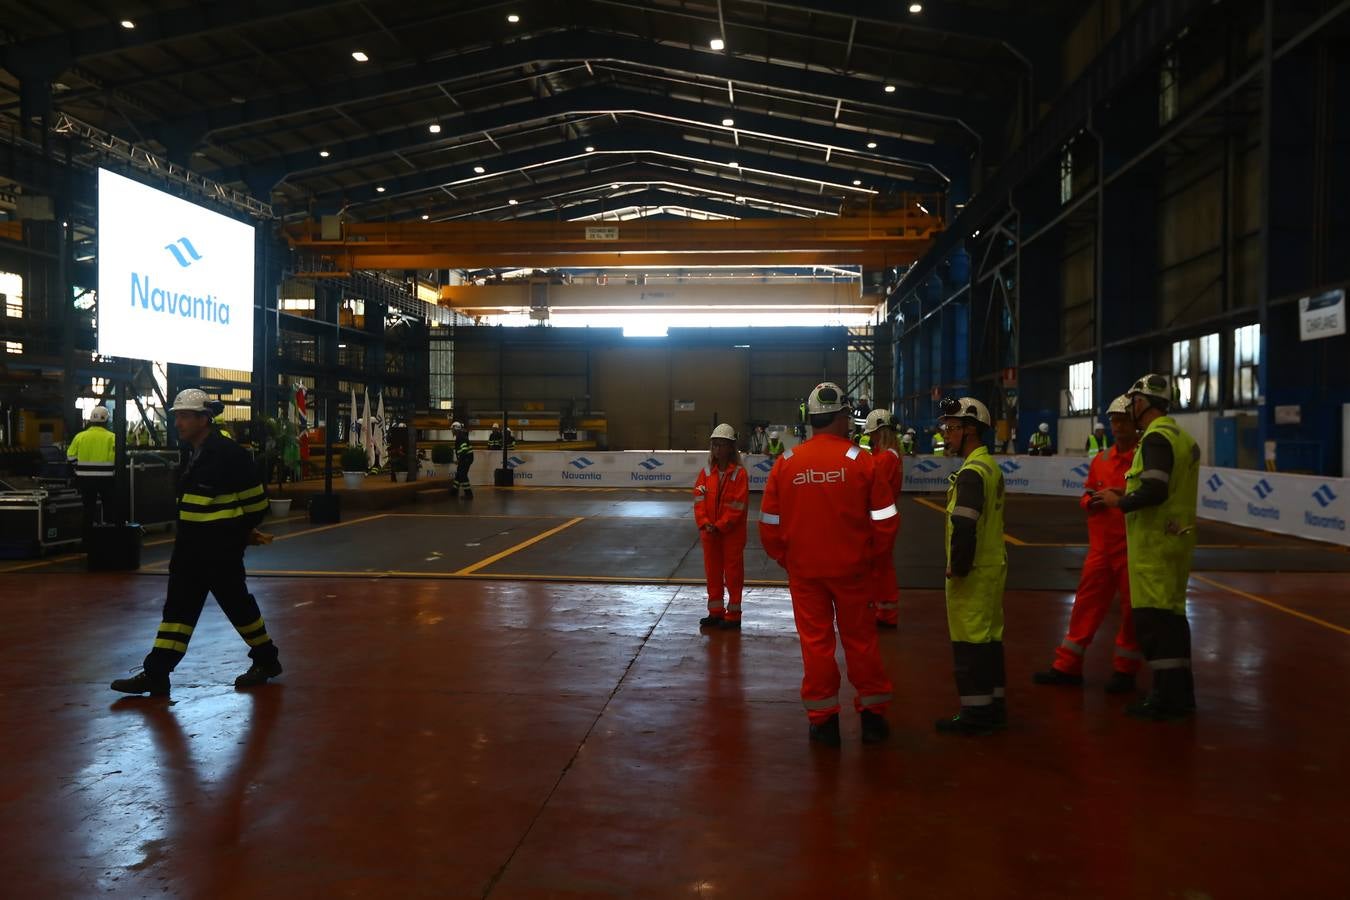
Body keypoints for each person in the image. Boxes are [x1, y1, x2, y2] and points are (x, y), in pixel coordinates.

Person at [110, 389, 280, 695]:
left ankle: (267, 660)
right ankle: (156, 672)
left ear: (205, 418)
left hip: (219, 553)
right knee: (177, 612)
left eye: (185, 416)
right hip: (189, 552)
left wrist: (237, 534)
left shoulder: (230, 456)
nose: (178, 423)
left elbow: (257, 505)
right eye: (177, 416)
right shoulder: (196, 455)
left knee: (239, 609)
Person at [760, 382, 898, 746]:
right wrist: (872, 559)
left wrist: (787, 559)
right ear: (840, 418)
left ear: (811, 419)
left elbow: (769, 524)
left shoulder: (787, 464)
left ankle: (823, 723)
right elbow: (885, 519)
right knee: (861, 641)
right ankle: (872, 719)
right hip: (854, 571)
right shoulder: (862, 461)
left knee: (816, 644)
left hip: (806, 573)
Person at [1092, 374, 1200, 720]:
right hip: (1175, 541)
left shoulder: (1156, 438)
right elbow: (1163, 488)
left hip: (1154, 547)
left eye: (1133, 402)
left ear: (1142, 403)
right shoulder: (1181, 437)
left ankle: (1168, 700)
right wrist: (1129, 493)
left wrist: (1117, 501)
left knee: (1154, 624)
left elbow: (1154, 492)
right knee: (1172, 620)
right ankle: (1179, 695)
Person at [1033, 395, 1143, 691]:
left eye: (1124, 421)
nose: (1118, 427)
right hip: (1101, 547)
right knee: (1085, 605)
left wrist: (1120, 498)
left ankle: (1125, 671)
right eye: (1115, 421)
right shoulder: (1102, 460)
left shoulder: (1142, 460)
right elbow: (1087, 492)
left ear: (1135, 424)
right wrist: (1089, 501)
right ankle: (1067, 665)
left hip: (1131, 548)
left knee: (1133, 610)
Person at [935, 396, 1008, 735]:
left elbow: (964, 525)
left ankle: (976, 715)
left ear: (970, 431)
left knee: (970, 641)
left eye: (952, 428)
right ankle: (993, 704)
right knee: (990, 638)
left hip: (974, 571)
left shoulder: (971, 474)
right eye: (946, 428)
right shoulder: (988, 466)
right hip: (992, 566)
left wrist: (958, 566)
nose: (946, 434)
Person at [694, 424, 749, 631]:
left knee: (733, 574)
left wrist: (719, 526)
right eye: (714, 445)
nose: (717, 449)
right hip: (710, 533)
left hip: (730, 534)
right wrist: (705, 523)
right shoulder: (706, 472)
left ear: (731, 448)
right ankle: (715, 612)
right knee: (713, 573)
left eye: (722, 445)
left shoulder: (739, 475)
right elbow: (699, 499)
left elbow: (738, 506)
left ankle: (734, 614)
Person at [863, 410, 903, 628]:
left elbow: (872, 489)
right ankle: (883, 610)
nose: (870, 437)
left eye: (873, 433)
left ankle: (885, 613)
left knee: (880, 568)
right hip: (882, 518)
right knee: (881, 567)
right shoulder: (887, 455)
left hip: (879, 521)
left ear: (880, 432)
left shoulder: (885, 458)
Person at [67, 405, 117, 529]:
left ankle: (87, 538)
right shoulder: (112, 437)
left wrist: (79, 468)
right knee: (109, 508)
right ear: (106, 420)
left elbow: (70, 456)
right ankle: (108, 535)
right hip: (107, 479)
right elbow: (119, 457)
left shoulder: (80, 436)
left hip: (85, 479)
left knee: (88, 509)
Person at [452, 423, 475, 499]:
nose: (452, 431)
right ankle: (454, 491)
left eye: (452, 429)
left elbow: (463, 450)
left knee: (462, 475)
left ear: (455, 429)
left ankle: (469, 494)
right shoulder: (461, 436)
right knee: (459, 474)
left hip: (466, 459)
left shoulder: (460, 437)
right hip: (466, 458)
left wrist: (459, 460)